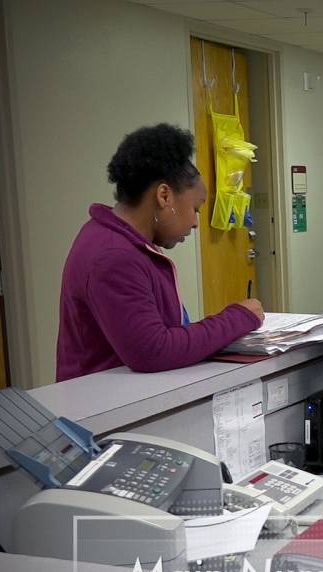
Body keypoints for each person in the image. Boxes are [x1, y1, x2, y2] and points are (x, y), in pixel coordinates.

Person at [56, 124, 264, 381]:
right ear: (164, 196)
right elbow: (153, 350)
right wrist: (238, 317)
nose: (195, 223)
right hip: (104, 410)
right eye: (195, 209)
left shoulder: (124, 243)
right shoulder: (113, 255)